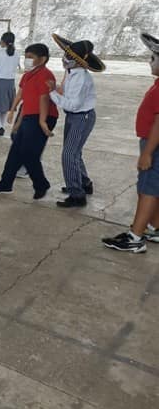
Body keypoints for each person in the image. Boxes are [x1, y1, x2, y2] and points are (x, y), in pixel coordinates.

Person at [102, 32, 159, 252]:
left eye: (153, 59)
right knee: (152, 188)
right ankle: (155, 227)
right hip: (151, 143)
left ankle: (135, 237)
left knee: (148, 189)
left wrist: (147, 153)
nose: (149, 62)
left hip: (154, 145)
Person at [0, 43, 59, 199]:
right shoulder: (28, 75)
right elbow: (25, 100)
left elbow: (44, 100)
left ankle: (41, 184)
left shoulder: (45, 75)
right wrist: (17, 120)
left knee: (29, 153)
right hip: (29, 116)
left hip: (45, 116)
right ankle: (5, 183)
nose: (27, 60)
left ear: (42, 59)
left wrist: (42, 122)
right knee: (15, 151)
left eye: (30, 57)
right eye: (26, 57)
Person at [48, 34, 104, 208]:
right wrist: (56, 88)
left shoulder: (81, 78)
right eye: (67, 55)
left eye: (70, 57)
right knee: (74, 152)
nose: (65, 59)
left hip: (82, 117)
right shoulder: (72, 73)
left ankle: (77, 195)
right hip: (75, 117)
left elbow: (73, 104)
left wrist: (52, 93)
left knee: (68, 154)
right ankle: (84, 184)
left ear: (79, 61)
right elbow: (65, 91)